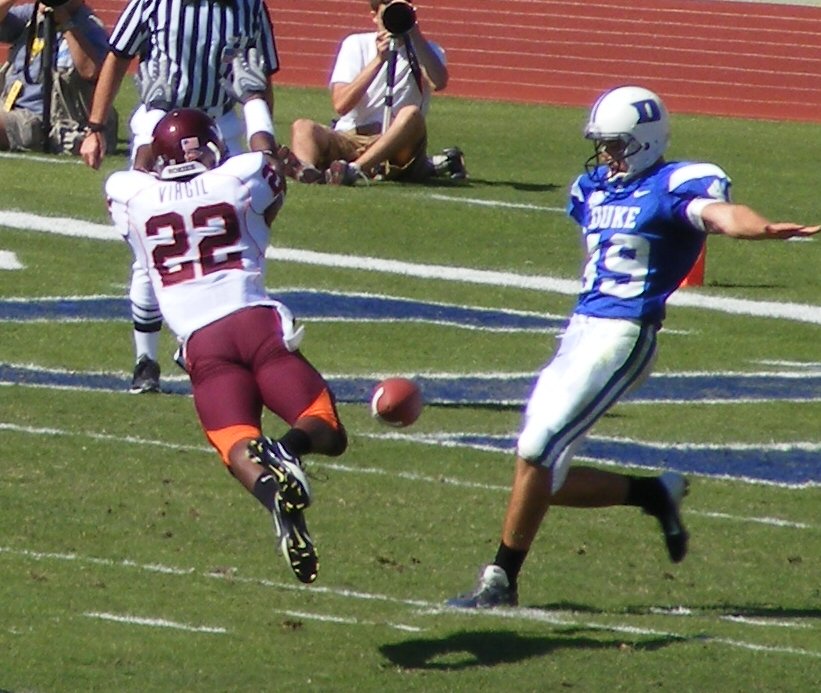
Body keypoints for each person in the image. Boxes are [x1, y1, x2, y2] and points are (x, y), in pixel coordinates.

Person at [447, 84, 820, 609]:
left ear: (645, 141)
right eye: (602, 143)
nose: (606, 154)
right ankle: (653, 493)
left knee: (536, 450)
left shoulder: (675, 183)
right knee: (541, 477)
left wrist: (760, 228)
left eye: (616, 144)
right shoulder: (592, 189)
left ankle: (500, 580)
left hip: (623, 335)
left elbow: (719, 215)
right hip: (580, 330)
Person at [104, 101, 348, 584]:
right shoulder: (240, 176)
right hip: (254, 323)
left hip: (202, 344)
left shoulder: (131, 193)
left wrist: (152, 150)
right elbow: (270, 182)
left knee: (236, 442)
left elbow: (136, 176)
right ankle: (290, 449)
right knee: (326, 426)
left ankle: (273, 499)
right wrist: (256, 111)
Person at [78, 0, 280, 395]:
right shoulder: (154, 3)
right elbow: (117, 56)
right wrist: (96, 126)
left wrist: (259, 122)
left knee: (236, 240)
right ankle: (145, 359)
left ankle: (208, 337)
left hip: (220, 128)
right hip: (162, 125)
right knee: (149, 249)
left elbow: (259, 75)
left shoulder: (249, 5)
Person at [279, 0, 466, 186]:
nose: (394, 19)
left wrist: (413, 33)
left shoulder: (428, 50)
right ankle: (307, 171)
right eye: (389, 13)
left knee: (411, 114)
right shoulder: (355, 44)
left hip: (396, 143)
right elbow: (341, 104)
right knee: (302, 126)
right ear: (375, 16)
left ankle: (353, 171)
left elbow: (438, 82)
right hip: (351, 136)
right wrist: (377, 61)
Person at [0, 0, 112, 154]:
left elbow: (92, 72)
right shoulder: (32, 16)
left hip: (39, 120)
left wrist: (65, 24)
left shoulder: (89, 26)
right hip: (8, 106)